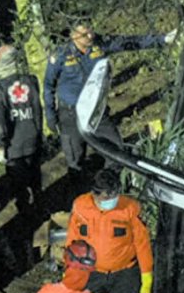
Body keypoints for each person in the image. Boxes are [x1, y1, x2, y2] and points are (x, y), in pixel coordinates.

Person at [44, 21, 175, 178]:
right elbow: (48, 86)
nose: (90, 36)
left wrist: (163, 39)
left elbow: (130, 42)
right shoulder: (61, 54)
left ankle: (109, 184)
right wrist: (51, 116)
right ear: (73, 36)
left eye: (91, 31)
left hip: (96, 110)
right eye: (85, 34)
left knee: (115, 150)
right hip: (70, 113)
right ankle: (80, 190)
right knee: (75, 158)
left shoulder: (100, 44)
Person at [0, 44, 43, 210]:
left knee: (19, 185)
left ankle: (26, 217)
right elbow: (37, 110)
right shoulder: (31, 80)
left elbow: (2, 121)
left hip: (14, 145)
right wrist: (39, 133)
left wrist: (1, 144)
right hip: (33, 137)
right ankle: (41, 207)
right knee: (35, 176)